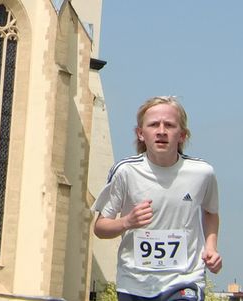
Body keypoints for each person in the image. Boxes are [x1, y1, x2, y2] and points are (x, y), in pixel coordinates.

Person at [92, 96, 222, 301]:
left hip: (184, 279)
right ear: (140, 134)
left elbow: (210, 212)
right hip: (135, 283)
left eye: (169, 125)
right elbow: (100, 227)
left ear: (182, 135)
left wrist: (211, 247)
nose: (161, 131)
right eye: (154, 125)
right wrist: (127, 222)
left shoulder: (202, 173)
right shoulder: (125, 171)